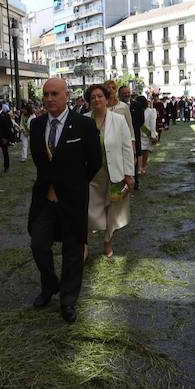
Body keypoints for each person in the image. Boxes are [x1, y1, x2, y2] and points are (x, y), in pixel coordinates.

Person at [28, 77, 102, 324]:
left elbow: (94, 162)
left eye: (54, 94)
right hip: (44, 201)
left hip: (73, 201)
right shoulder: (37, 126)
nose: (49, 99)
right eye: (46, 94)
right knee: (38, 245)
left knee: (73, 252)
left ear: (66, 96)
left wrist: (76, 184)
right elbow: (40, 162)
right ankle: (50, 285)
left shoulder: (83, 125)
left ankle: (68, 300)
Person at [85, 84, 134, 258]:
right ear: (89, 102)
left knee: (113, 210)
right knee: (89, 209)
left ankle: (107, 241)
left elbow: (127, 148)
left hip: (115, 175)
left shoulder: (118, 120)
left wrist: (129, 174)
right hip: (91, 176)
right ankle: (85, 242)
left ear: (107, 99)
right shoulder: (83, 121)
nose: (96, 99)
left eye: (99, 96)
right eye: (92, 97)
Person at [138, 96, 158, 175]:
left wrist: (153, 135)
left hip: (147, 134)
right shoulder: (136, 111)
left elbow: (153, 124)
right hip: (138, 133)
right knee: (139, 152)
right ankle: (139, 167)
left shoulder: (151, 111)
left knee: (145, 152)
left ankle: (143, 166)